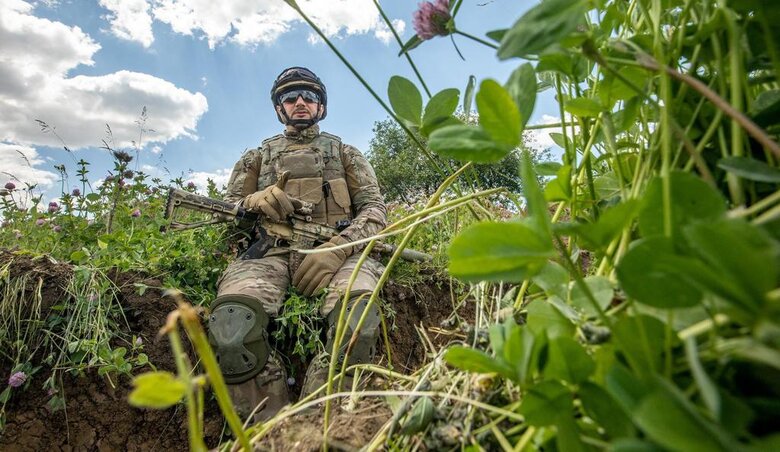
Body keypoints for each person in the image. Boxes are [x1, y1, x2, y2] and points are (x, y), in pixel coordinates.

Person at [208, 67, 387, 423]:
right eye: (291, 98)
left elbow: (375, 209)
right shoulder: (255, 159)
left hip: (338, 252)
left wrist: (339, 248)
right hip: (267, 252)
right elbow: (225, 214)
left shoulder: (346, 153)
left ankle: (326, 426)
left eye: (310, 97)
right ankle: (272, 433)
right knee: (231, 329)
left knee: (358, 321)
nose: (300, 102)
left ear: (321, 106)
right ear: (280, 108)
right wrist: (252, 203)